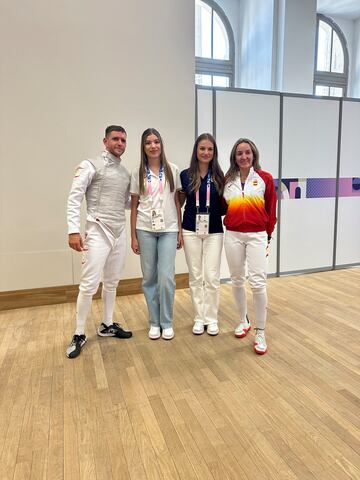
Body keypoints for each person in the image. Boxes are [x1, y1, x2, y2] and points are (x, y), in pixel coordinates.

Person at [66, 125, 132, 359]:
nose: (120, 143)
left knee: (112, 282)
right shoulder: (89, 164)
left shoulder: (125, 173)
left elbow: (124, 203)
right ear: (105, 141)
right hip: (97, 229)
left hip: (119, 232)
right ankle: (79, 332)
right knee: (89, 285)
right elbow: (74, 198)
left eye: (123, 140)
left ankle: (106, 324)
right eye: (115, 139)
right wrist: (73, 230)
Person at [223, 138, 277, 354]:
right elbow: (221, 206)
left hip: (256, 236)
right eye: (239, 154)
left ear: (254, 154)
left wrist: (268, 236)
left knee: (258, 283)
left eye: (247, 153)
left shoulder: (265, 178)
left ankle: (260, 331)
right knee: (236, 279)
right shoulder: (228, 180)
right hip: (233, 235)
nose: (244, 157)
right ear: (234, 158)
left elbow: (271, 210)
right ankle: (243, 320)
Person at [130, 128, 183, 340]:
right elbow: (134, 206)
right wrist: (133, 236)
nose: (153, 146)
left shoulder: (173, 169)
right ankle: (154, 322)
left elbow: (177, 202)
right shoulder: (137, 172)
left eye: (156, 141)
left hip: (169, 229)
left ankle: (167, 321)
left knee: (166, 277)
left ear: (162, 144)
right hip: (145, 229)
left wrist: (179, 230)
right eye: (148, 142)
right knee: (149, 277)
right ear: (143, 147)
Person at [179, 133, 225, 336]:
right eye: (202, 148)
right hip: (190, 229)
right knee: (196, 276)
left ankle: (211, 319)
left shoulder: (221, 177)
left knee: (212, 277)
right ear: (196, 151)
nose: (206, 152)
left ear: (214, 153)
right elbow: (178, 203)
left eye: (210, 149)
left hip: (214, 231)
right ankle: (199, 318)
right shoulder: (185, 175)